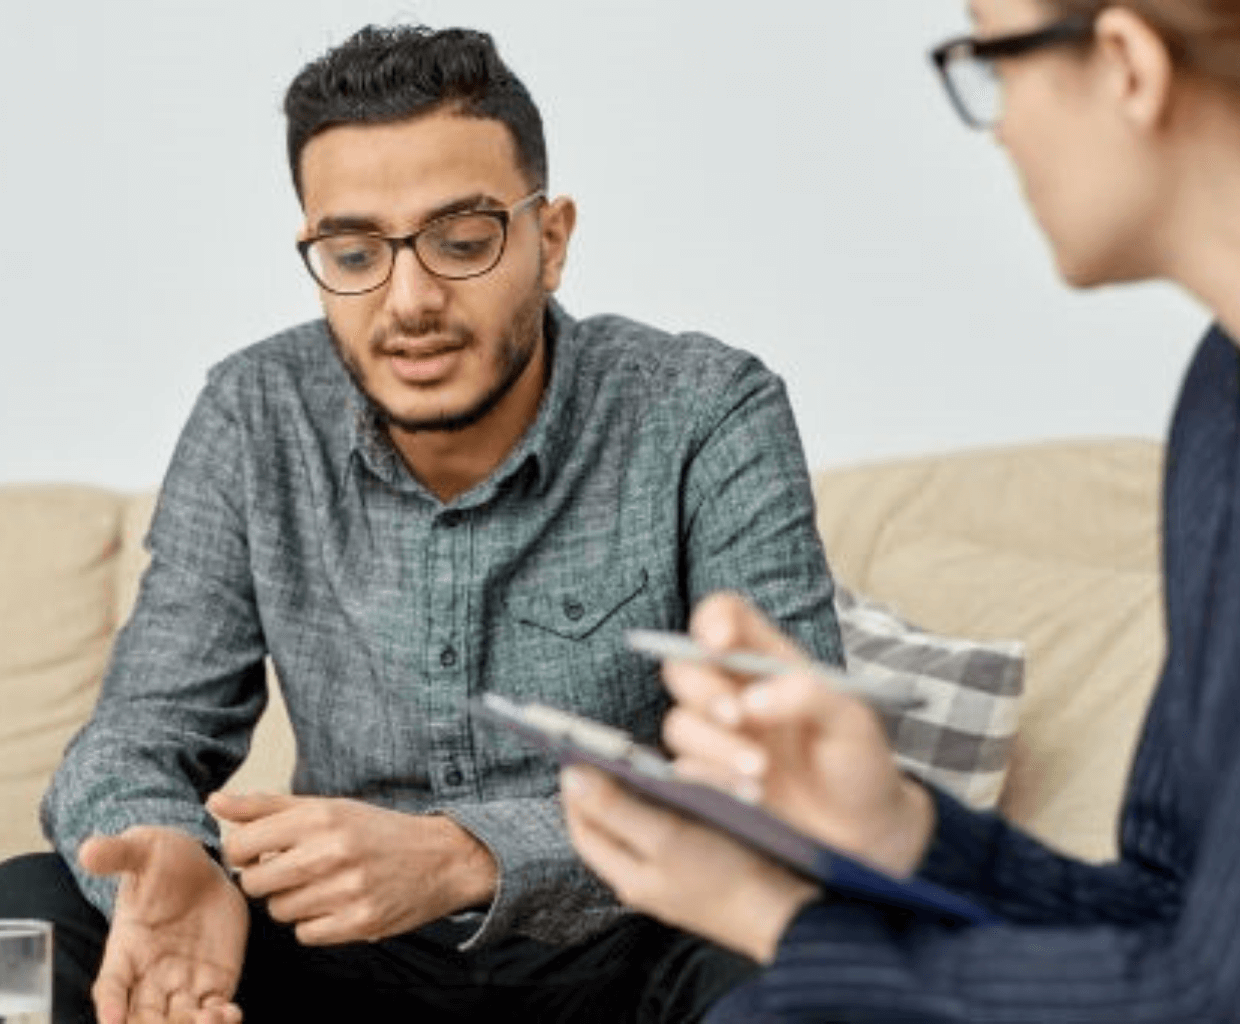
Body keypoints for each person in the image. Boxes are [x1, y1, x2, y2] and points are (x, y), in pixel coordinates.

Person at [0, 23, 844, 1024]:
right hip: (342, 960)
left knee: (813, 948)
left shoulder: (704, 408)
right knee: (28, 908)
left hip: (629, 943)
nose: (410, 300)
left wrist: (467, 852)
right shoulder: (254, 410)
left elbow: (785, 782)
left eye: (461, 238)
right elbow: (136, 737)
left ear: (552, 239)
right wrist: (171, 857)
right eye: (354, 251)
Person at [563, 0, 1240, 1020]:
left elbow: (1206, 996)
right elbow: (1161, 915)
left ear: (1125, 63)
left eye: (992, 62)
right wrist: (898, 830)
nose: (997, 124)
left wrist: (776, 921)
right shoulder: (1220, 394)